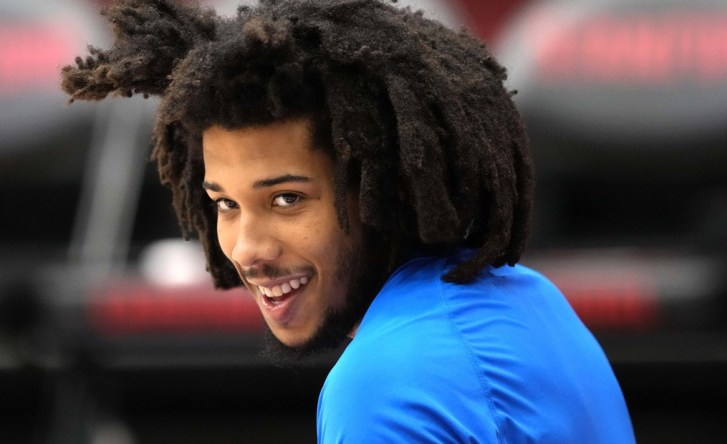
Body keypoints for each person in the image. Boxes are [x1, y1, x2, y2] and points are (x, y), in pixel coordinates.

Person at [62, 0, 636, 442]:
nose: (247, 247)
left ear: (383, 188)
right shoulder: (529, 298)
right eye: (225, 204)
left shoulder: (383, 384)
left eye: (287, 199)